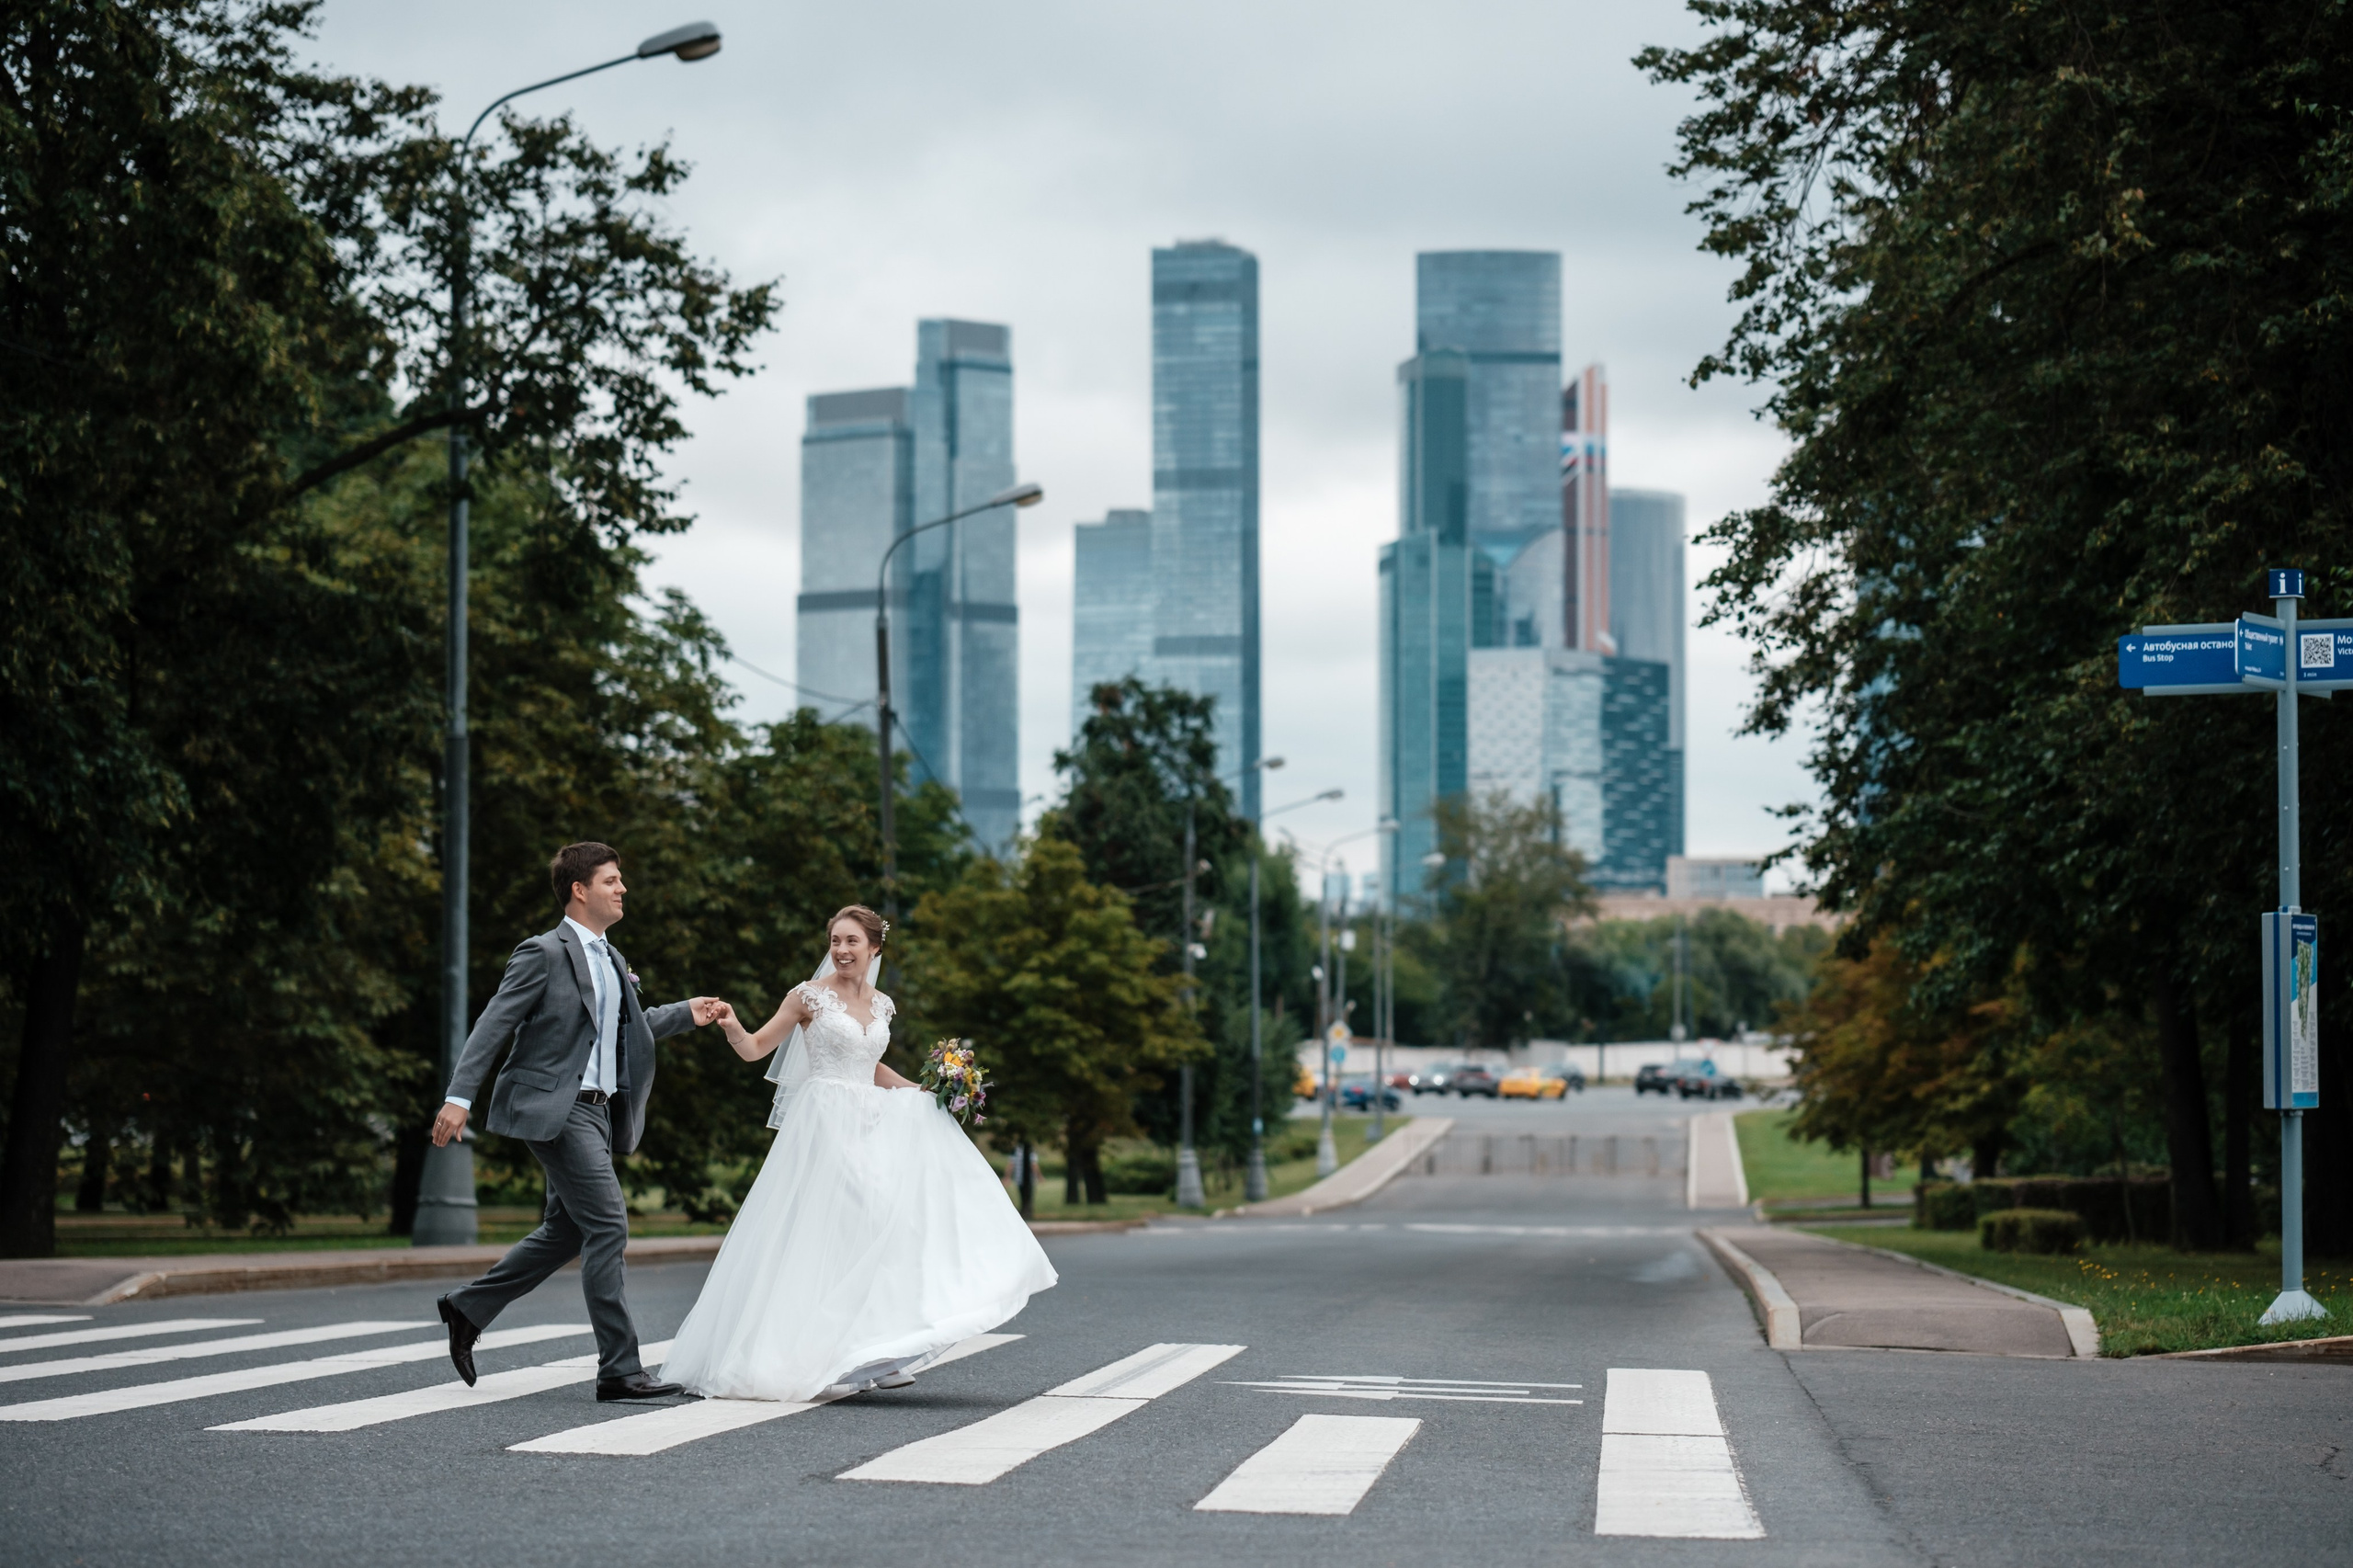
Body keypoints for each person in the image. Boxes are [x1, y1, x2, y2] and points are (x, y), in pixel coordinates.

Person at [660, 904, 1056, 1401]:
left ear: (874, 948)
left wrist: (927, 1091)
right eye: (835, 941)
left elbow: (870, 1065)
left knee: (885, 1228)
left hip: (871, 1122)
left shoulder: (883, 1004)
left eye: (852, 942)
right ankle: (839, 1351)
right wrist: (732, 1024)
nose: (841, 951)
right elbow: (756, 1049)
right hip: (824, 1124)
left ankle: (882, 1351)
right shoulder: (807, 998)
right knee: (850, 1224)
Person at [429, 841, 725, 1401]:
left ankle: (468, 1307)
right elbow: (495, 1024)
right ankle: (619, 1369)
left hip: (597, 1114)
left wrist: (688, 1013)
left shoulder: (613, 959)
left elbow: (628, 1028)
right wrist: (459, 1097)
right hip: (556, 1109)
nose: (623, 889)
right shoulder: (542, 952)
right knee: (609, 1224)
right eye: (612, 880)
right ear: (580, 890)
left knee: (567, 1230)